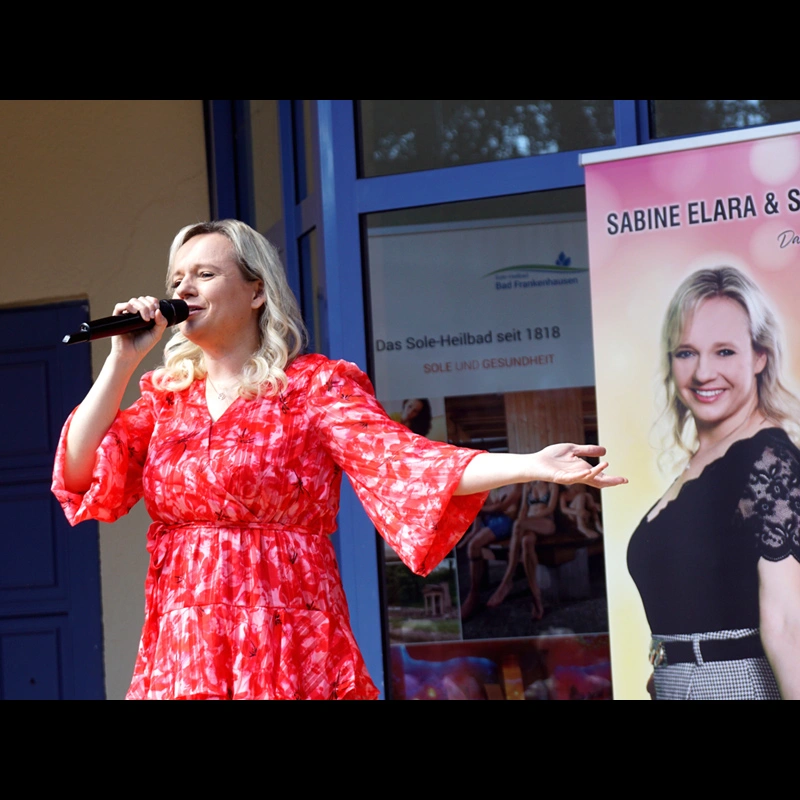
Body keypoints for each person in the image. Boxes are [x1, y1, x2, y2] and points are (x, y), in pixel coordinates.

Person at [51, 219, 627, 700]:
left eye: (205, 274)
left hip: (286, 628)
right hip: (187, 639)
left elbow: (406, 462)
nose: (186, 288)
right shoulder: (166, 397)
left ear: (256, 292)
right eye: (177, 278)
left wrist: (532, 465)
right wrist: (121, 360)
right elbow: (79, 471)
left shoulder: (314, 388)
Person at [626, 265, 800, 700]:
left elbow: (789, 625)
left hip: (734, 686)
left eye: (724, 351)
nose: (703, 372)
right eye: (687, 352)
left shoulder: (769, 461)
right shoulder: (705, 461)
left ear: (759, 356)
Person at [485, 480, 560, 619]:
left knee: (519, 524)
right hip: (528, 524)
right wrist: (521, 524)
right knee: (526, 542)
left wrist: (524, 522)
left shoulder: (551, 485)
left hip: (546, 523)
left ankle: (507, 580)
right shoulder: (528, 486)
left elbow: (550, 509)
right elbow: (523, 509)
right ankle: (536, 598)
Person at [458, 483, 523, 620]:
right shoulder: (498, 483)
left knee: (474, 545)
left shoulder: (517, 485)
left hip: (505, 521)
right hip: (492, 518)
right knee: (478, 493)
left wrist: (480, 509)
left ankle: (473, 595)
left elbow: (501, 507)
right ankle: (475, 530)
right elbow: (490, 503)